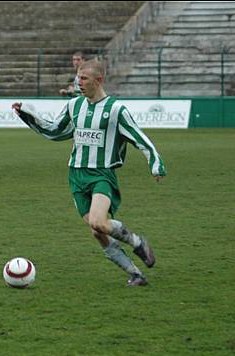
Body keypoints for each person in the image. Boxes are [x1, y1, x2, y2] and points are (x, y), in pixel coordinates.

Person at [13, 59, 166, 287]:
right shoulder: (75, 105)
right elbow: (54, 131)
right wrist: (26, 114)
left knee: (99, 222)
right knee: (97, 231)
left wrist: (156, 163)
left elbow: (139, 138)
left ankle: (137, 242)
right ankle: (135, 274)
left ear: (99, 80)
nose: (79, 82)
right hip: (76, 175)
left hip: (101, 174)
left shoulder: (115, 110)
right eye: (78, 78)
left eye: (83, 78)